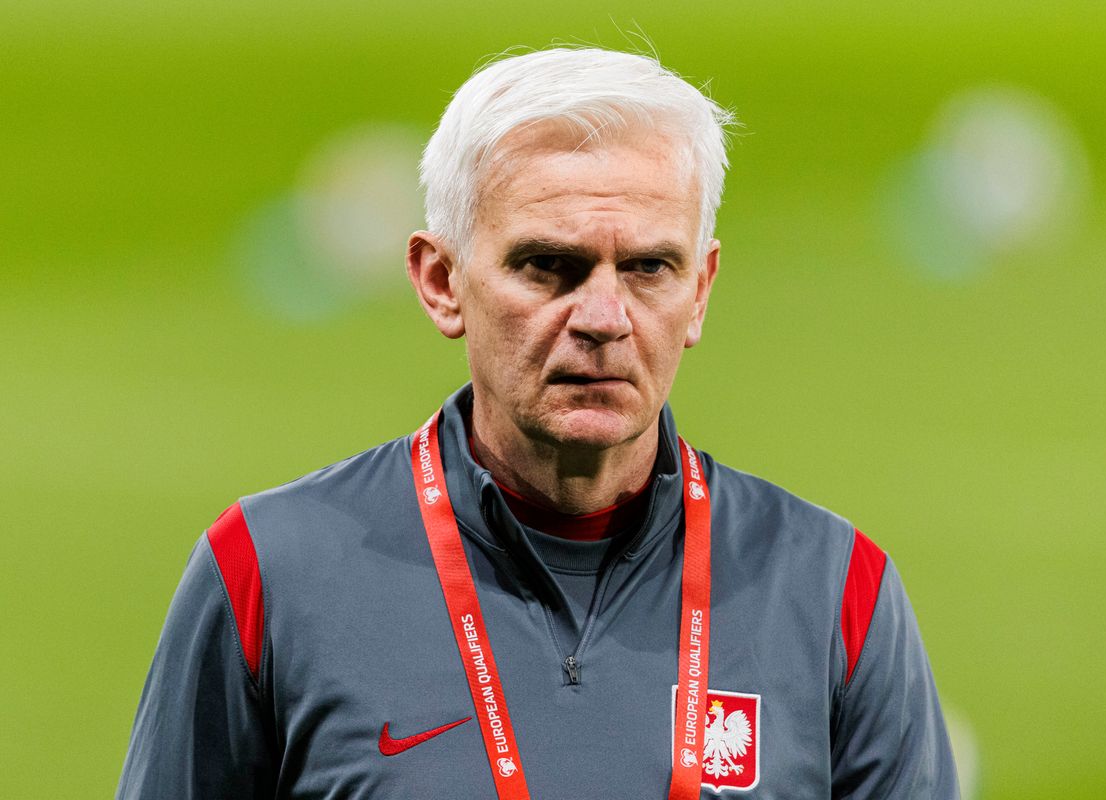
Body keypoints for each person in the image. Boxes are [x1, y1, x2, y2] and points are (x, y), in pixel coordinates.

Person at [118, 47, 959, 799]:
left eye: (648, 268)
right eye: (548, 266)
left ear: (700, 290)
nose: (603, 316)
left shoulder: (836, 591)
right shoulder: (266, 573)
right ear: (441, 280)